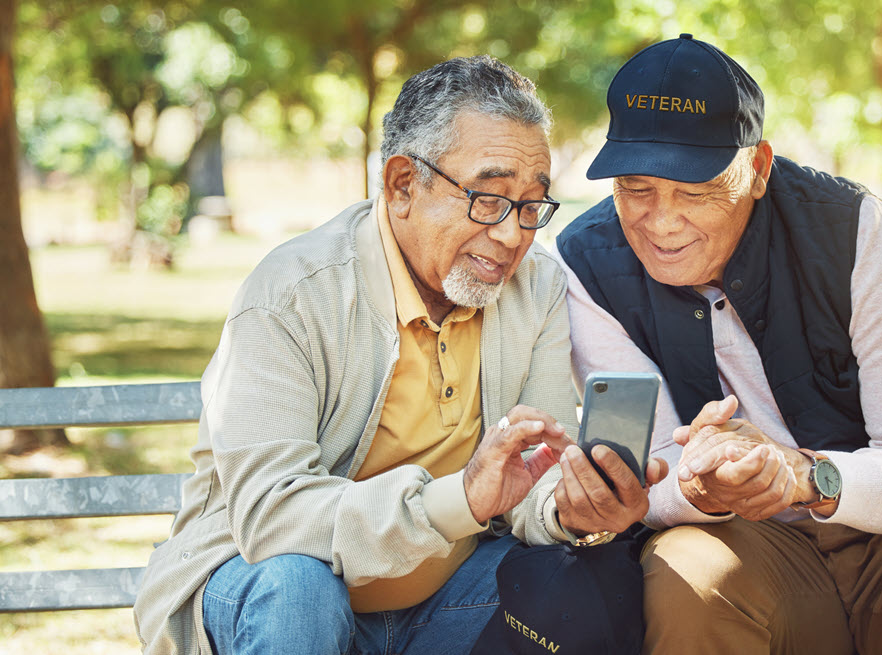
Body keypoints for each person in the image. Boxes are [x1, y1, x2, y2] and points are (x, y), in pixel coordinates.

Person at [555, 34, 882, 654]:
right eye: (635, 189)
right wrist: (695, 484)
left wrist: (803, 475)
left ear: (758, 168)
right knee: (690, 580)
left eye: (694, 190)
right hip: (747, 543)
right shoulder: (586, 265)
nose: (662, 222)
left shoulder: (855, 232)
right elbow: (649, 473)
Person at [133, 55, 664, 655]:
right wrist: (456, 500)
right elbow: (272, 519)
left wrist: (571, 508)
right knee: (298, 587)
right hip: (266, 589)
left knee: (585, 583)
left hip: (444, 604)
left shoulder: (535, 287)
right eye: (489, 199)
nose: (515, 234)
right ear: (403, 185)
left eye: (531, 206)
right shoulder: (294, 292)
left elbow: (530, 482)